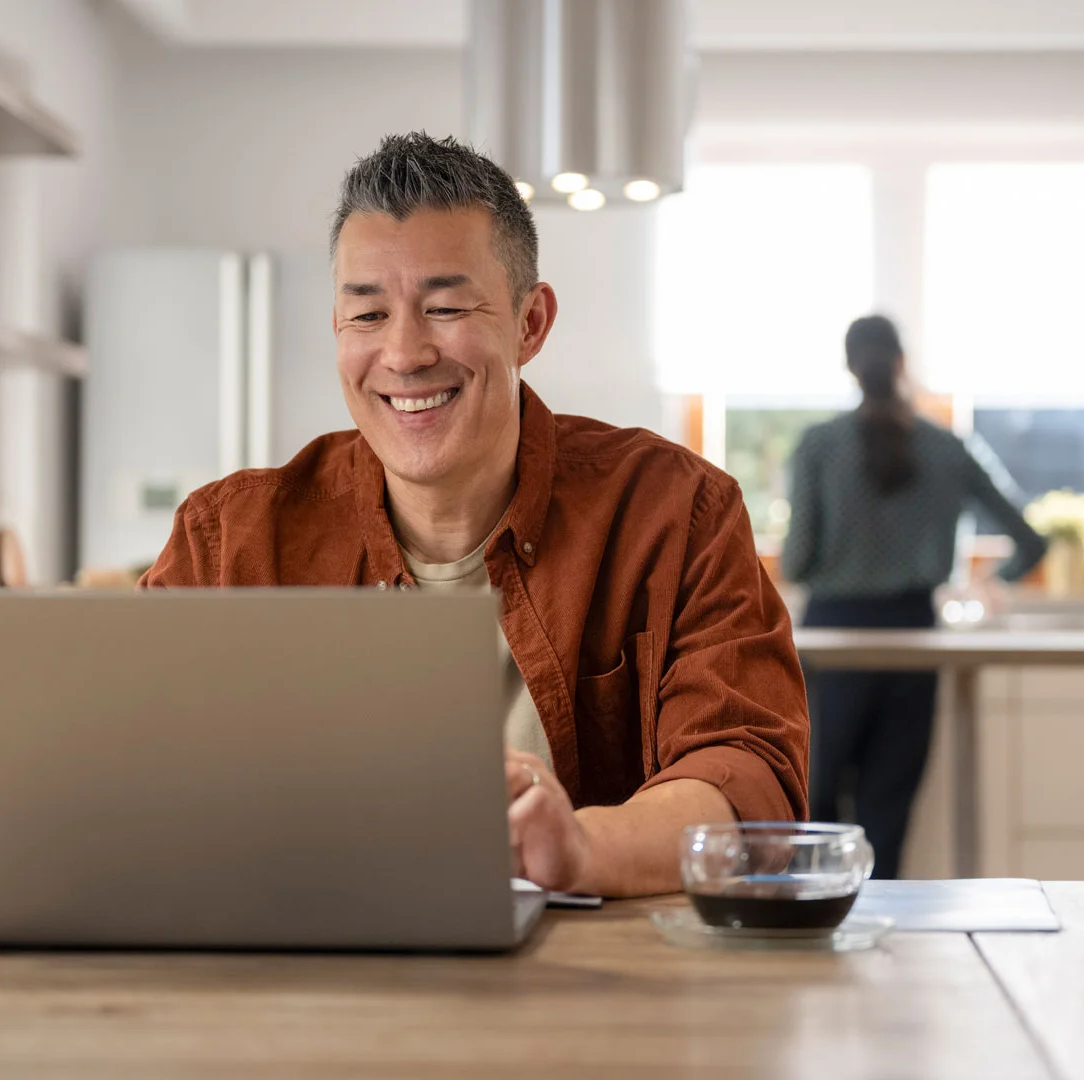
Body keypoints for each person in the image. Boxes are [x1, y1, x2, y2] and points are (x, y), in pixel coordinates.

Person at [140, 132, 808, 898]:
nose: (404, 352)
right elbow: (124, 771)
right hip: (301, 986)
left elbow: (749, 783)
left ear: (530, 324)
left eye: (445, 307)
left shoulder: (676, 511)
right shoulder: (228, 541)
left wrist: (580, 849)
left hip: (599, 993)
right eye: (367, 315)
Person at [781, 315, 1045, 878]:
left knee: (815, 802)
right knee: (888, 809)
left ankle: (812, 939)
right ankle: (879, 949)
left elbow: (797, 561)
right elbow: (1030, 541)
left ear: (850, 366)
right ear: (902, 363)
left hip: (831, 639)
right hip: (914, 637)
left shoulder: (818, 446)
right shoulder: (948, 448)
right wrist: (991, 584)